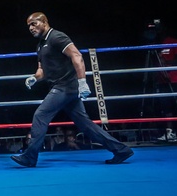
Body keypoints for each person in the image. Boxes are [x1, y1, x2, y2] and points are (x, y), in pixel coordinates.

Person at [10, 12, 134, 167]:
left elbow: (77, 56)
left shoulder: (57, 37)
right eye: (28, 25)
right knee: (85, 124)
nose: (30, 28)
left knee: (41, 115)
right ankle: (121, 150)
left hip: (66, 86)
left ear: (44, 22)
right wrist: (35, 78)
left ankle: (30, 156)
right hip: (61, 87)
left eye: (34, 23)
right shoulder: (41, 45)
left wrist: (82, 82)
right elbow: (42, 70)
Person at [151, 22, 177, 142]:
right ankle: (170, 133)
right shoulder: (156, 45)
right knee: (166, 108)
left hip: (176, 78)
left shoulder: (174, 41)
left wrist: (166, 66)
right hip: (162, 81)